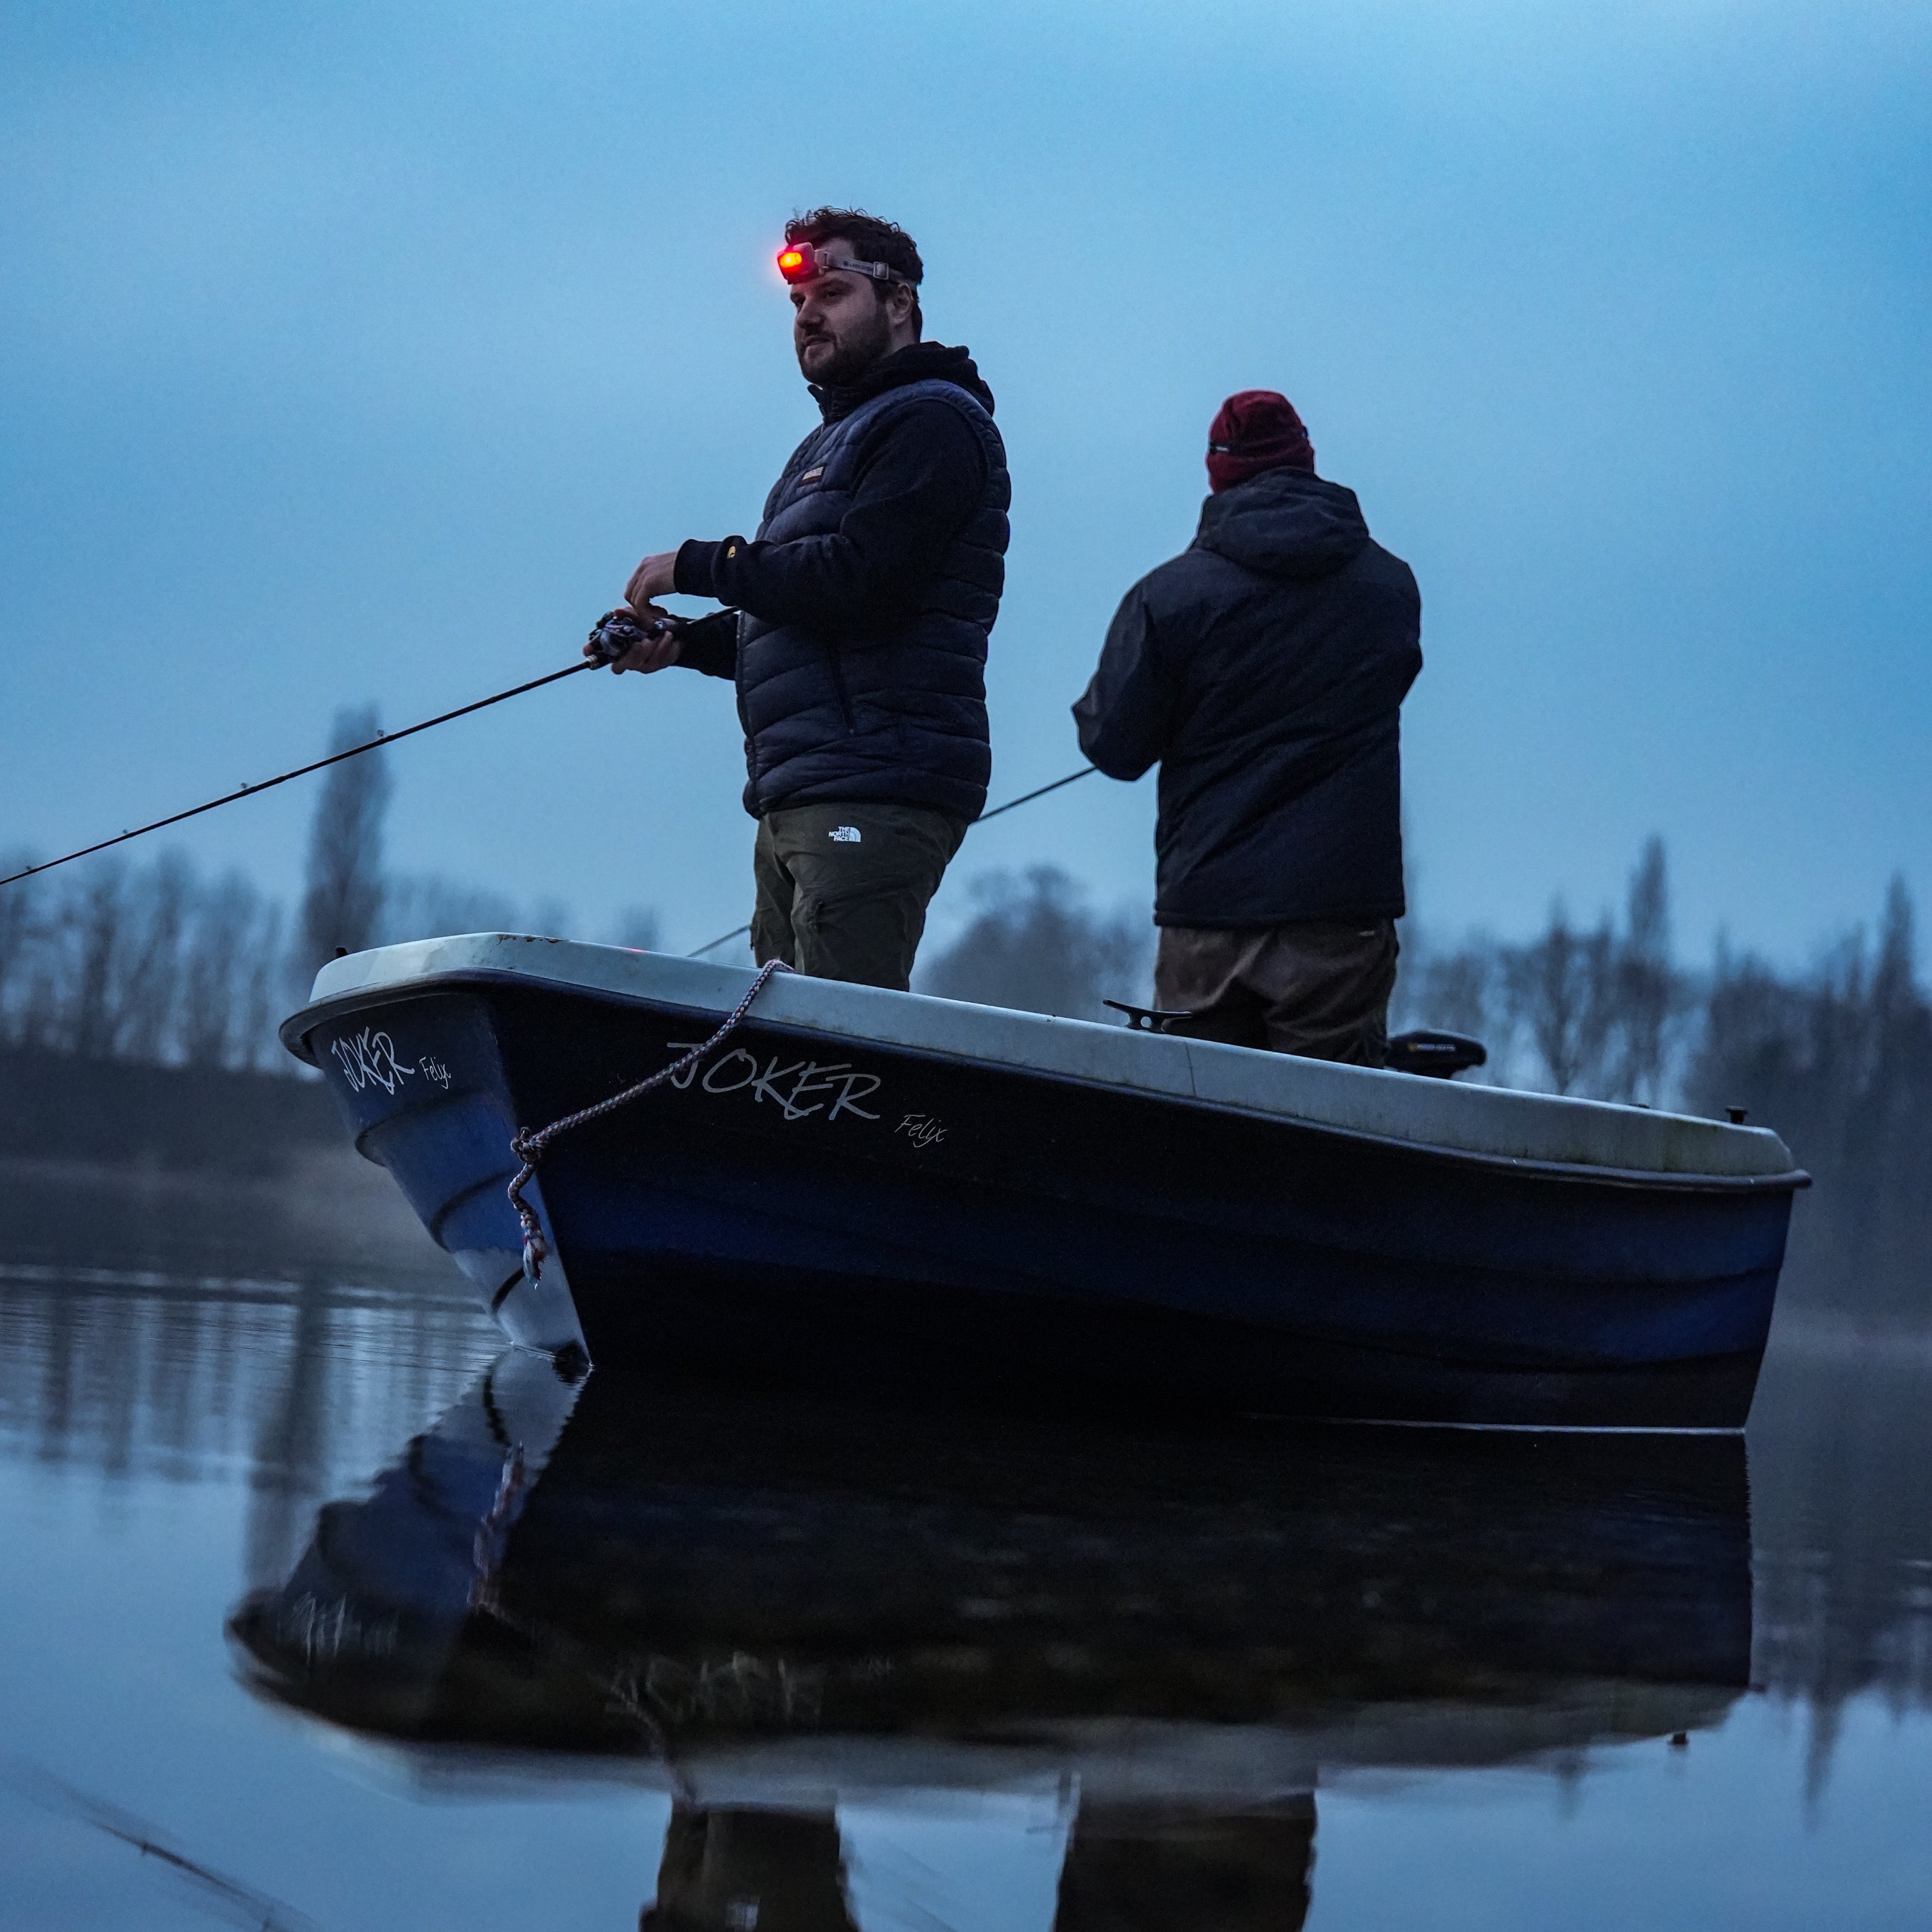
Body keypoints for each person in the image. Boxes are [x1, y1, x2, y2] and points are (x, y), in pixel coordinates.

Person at [589, 207, 1010, 992]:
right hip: (799, 795)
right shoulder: (831, 443)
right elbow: (799, 610)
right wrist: (681, 644)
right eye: (797, 303)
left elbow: (858, 581)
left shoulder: (932, 423)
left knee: (840, 1056)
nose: (809, 314)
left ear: (899, 305)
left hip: (875, 784)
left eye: (832, 292)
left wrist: (697, 564)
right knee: (788, 1046)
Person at [1072, 391, 1421, 1065]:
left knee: (1202, 1129)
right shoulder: (1391, 589)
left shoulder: (1169, 597)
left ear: (1218, 474)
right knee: (1328, 1136)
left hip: (1207, 918)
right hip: (1341, 916)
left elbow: (1113, 747)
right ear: (1306, 459)